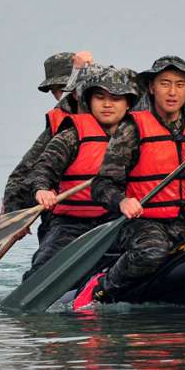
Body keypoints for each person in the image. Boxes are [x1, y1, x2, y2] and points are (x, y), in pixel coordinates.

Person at [72, 56, 185, 308]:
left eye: (180, 85)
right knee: (152, 252)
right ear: (151, 87)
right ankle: (102, 287)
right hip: (146, 222)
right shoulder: (132, 128)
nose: (172, 92)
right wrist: (123, 201)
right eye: (165, 84)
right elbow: (102, 185)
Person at [22, 66, 138, 278]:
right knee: (43, 268)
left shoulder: (140, 134)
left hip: (120, 219)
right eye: (100, 97)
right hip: (72, 223)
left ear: (128, 103)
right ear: (89, 102)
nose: (107, 104)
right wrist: (41, 189)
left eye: (115, 98)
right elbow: (42, 168)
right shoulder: (71, 135)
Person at [1, 50, 95, 215]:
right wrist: (11, 212)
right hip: (65, 214)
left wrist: (83, 70)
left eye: (65, 87)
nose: (61, 95)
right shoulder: (59, 125)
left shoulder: (118, 112)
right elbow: (21, 175)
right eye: (55, 91)